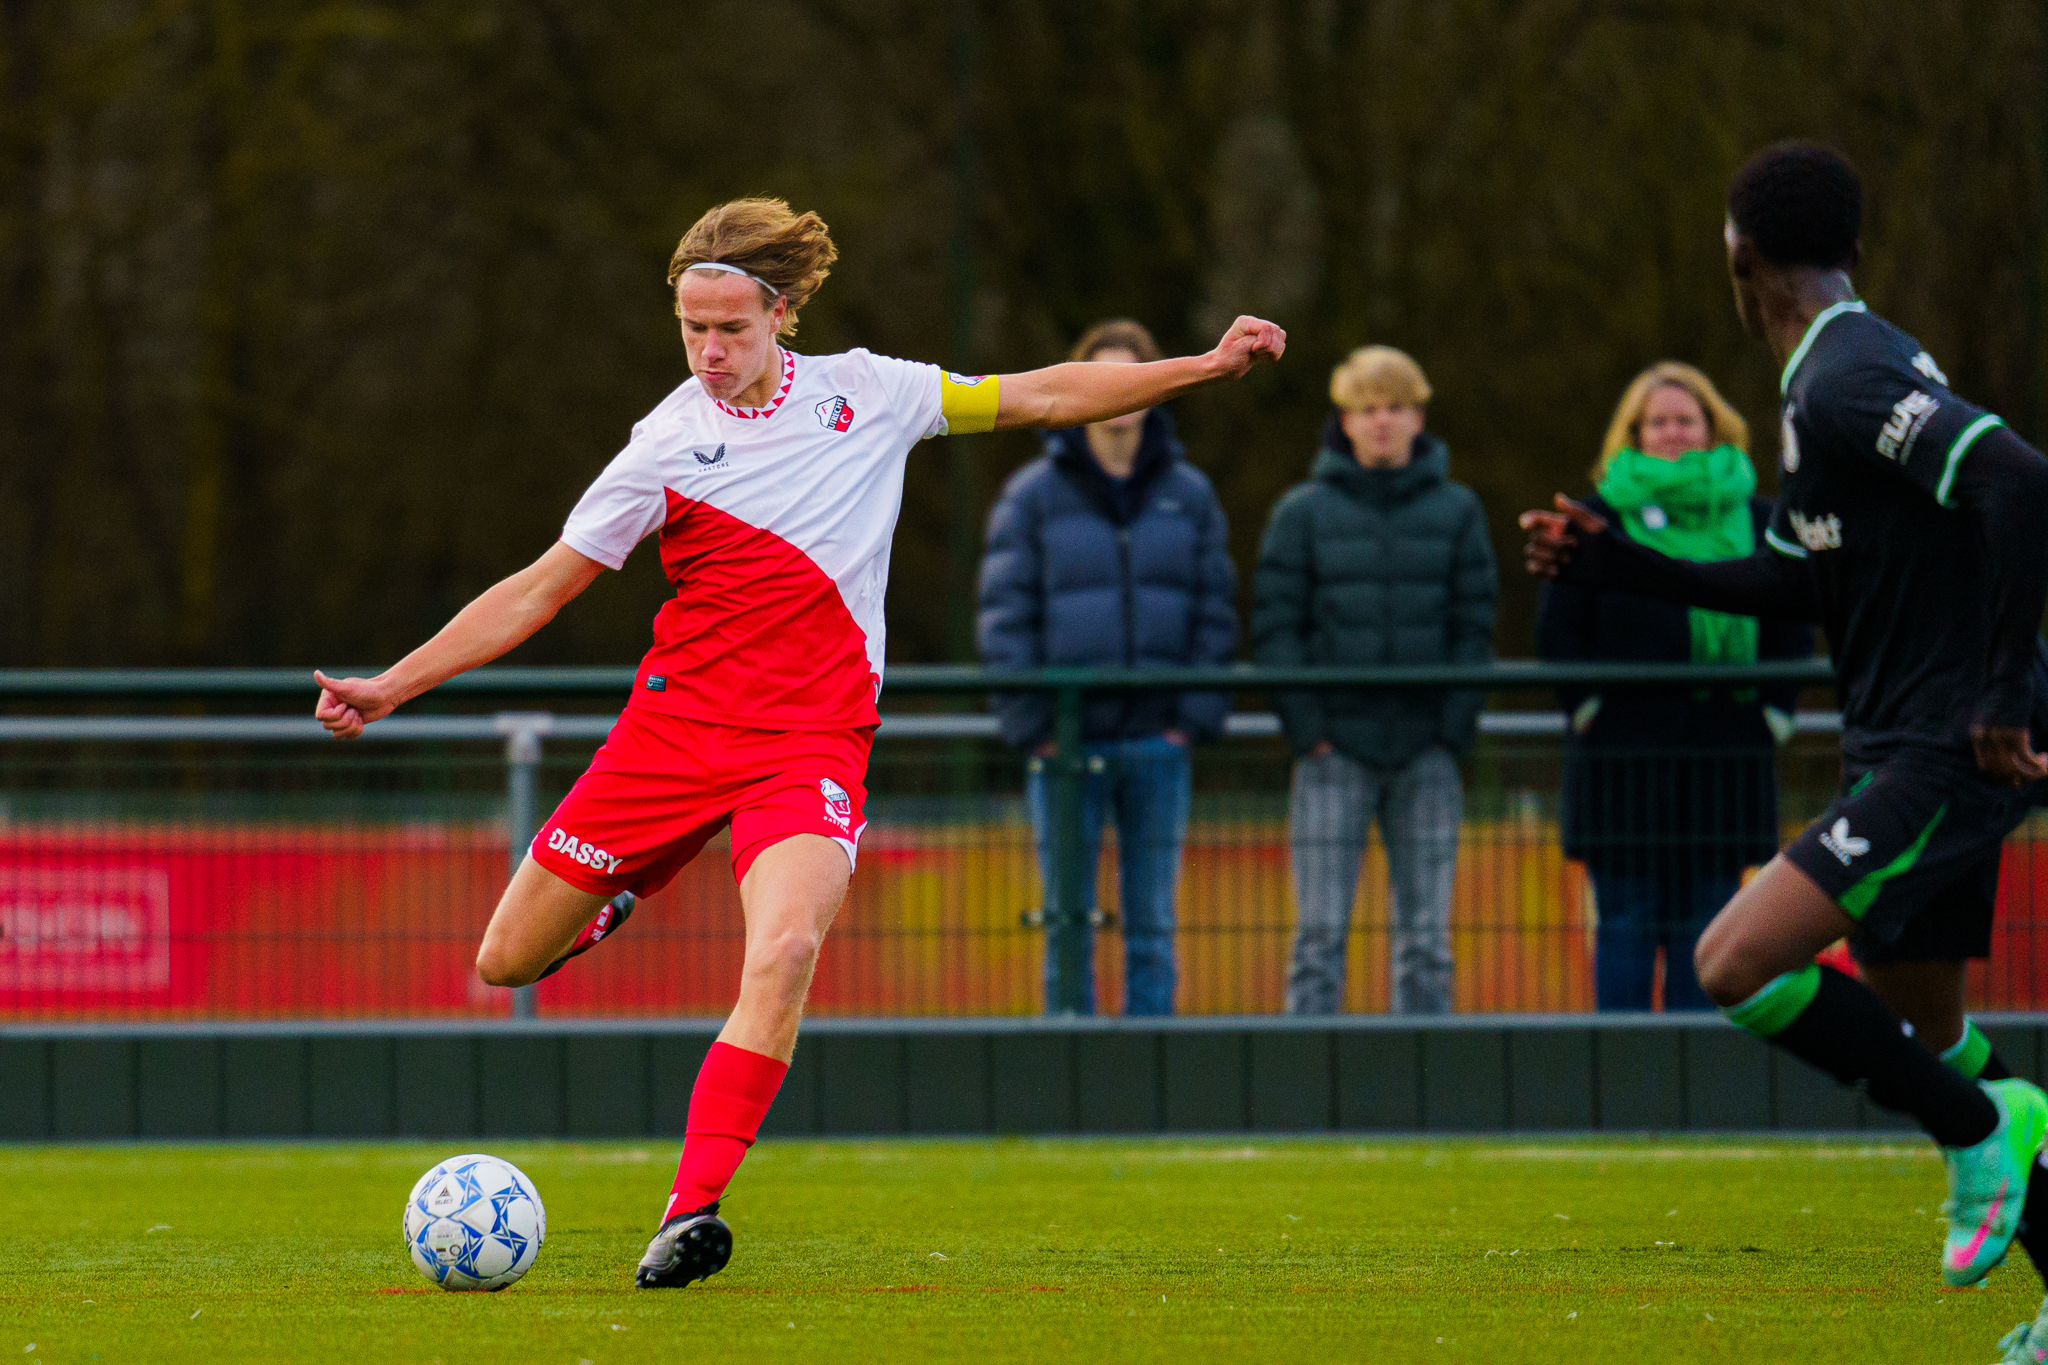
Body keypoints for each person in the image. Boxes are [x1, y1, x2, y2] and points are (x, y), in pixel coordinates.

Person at [311, 198, 1286, 1287]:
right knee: (505, 961)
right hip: (673, 736)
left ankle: (689, 1210)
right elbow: (540, 589)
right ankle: (623, 895)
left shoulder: (870, 394)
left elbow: (1045, 394)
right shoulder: (665, 444)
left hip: (810, 743)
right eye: (692, 329)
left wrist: (1203, 367)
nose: (710, 351)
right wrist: (391, 685)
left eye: (730, 328)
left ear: (780, 314)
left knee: (781, 952)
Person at [1520, 143, 2048, 1340]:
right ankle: (1995, 1144)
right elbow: (1793, 578)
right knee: (1930, 1034)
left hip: (1940, 746)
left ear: (1737, 255)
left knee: (1733, 962)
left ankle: (1979, 1131)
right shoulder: (1834, 372)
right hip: (1907, 738)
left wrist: (1997, 697)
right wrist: (1621, 566)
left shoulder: (1845, 375)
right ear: (1849, 248)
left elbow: (2019, 482)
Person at [976, 320, 1237, 1016]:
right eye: (1103, 378)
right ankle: (1069, 1061)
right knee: (1067, 922)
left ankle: (1155, 1067)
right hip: (1065, 746)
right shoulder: (1031, 497)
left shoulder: (1191, 495)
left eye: (1131, 377)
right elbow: (1005, 618)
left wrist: (1190, 721)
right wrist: (1037, 728)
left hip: (1160, 744)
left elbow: (1215, 612)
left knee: (1154, 924)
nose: (1118, 396)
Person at [1536, 362, 1814, 1011]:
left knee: (1710, 927)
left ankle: (1698, 1067)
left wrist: (1774, 714)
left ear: (1713, 428)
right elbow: (1558, 629)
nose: (1672, 432)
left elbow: (1794, 622)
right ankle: (1622, 1069)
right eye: (1657, 422)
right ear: (1633, 433)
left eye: (1685, 420)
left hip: (1727, 755)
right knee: (1626, 922)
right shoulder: (1596, 520)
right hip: (1621, 759)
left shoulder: (1764, 519)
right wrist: (1589, 710)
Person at [1255, 346, 1497, 1015]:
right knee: (1318, 937)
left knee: (1427, 941)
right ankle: (1310, 1075)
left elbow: (1474, 626)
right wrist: (1309, 731)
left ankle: (1424, 1074)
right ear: (1345, 421)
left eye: (1394, 407)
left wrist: (1451, 731)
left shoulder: (1459, 512)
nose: (1381, 421)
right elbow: (1277, 628)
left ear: (1419, 417)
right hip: (1332, 752)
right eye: (1367, 409)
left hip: (1427, 752)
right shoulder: (1301, 514)